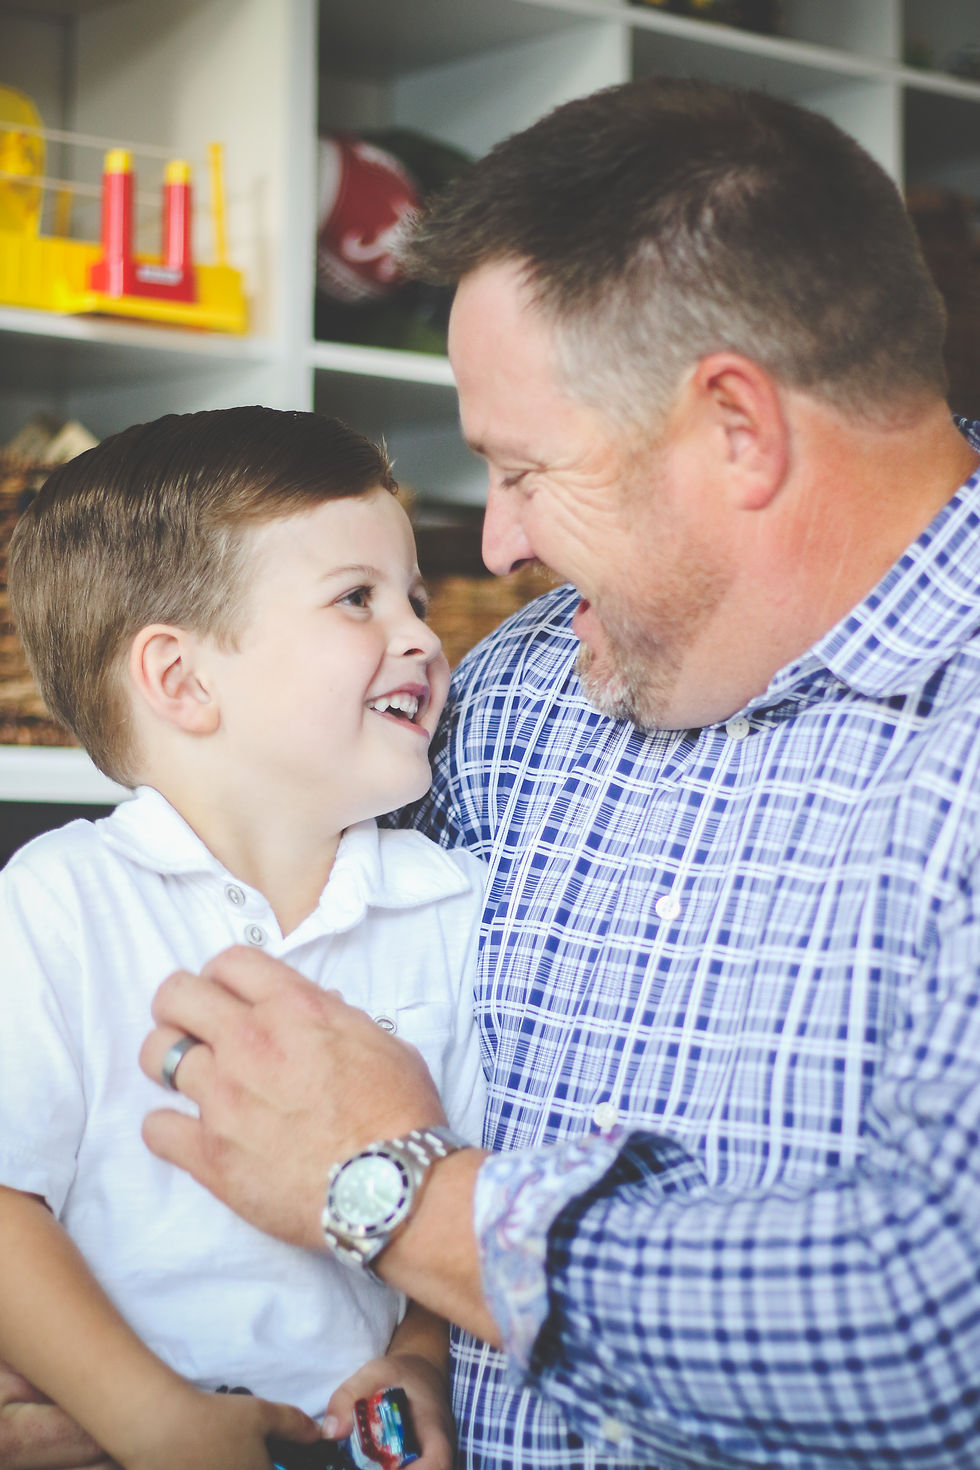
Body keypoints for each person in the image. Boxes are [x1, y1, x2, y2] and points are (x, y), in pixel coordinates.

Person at [9, 73, 980, 1469]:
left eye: (521, 469)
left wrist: (399, 1199)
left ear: (737, 430)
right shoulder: (517, 695)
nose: (497, 548)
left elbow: (941, 1332)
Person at [0, 406, 487, 1470]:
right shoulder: (60, 901)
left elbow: (465, 1193)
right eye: (356, 599)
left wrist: (417, 1364)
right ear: (182, 682)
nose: (421, 635)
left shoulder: (451, 905)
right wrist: (153, 1422)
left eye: (411, 598)